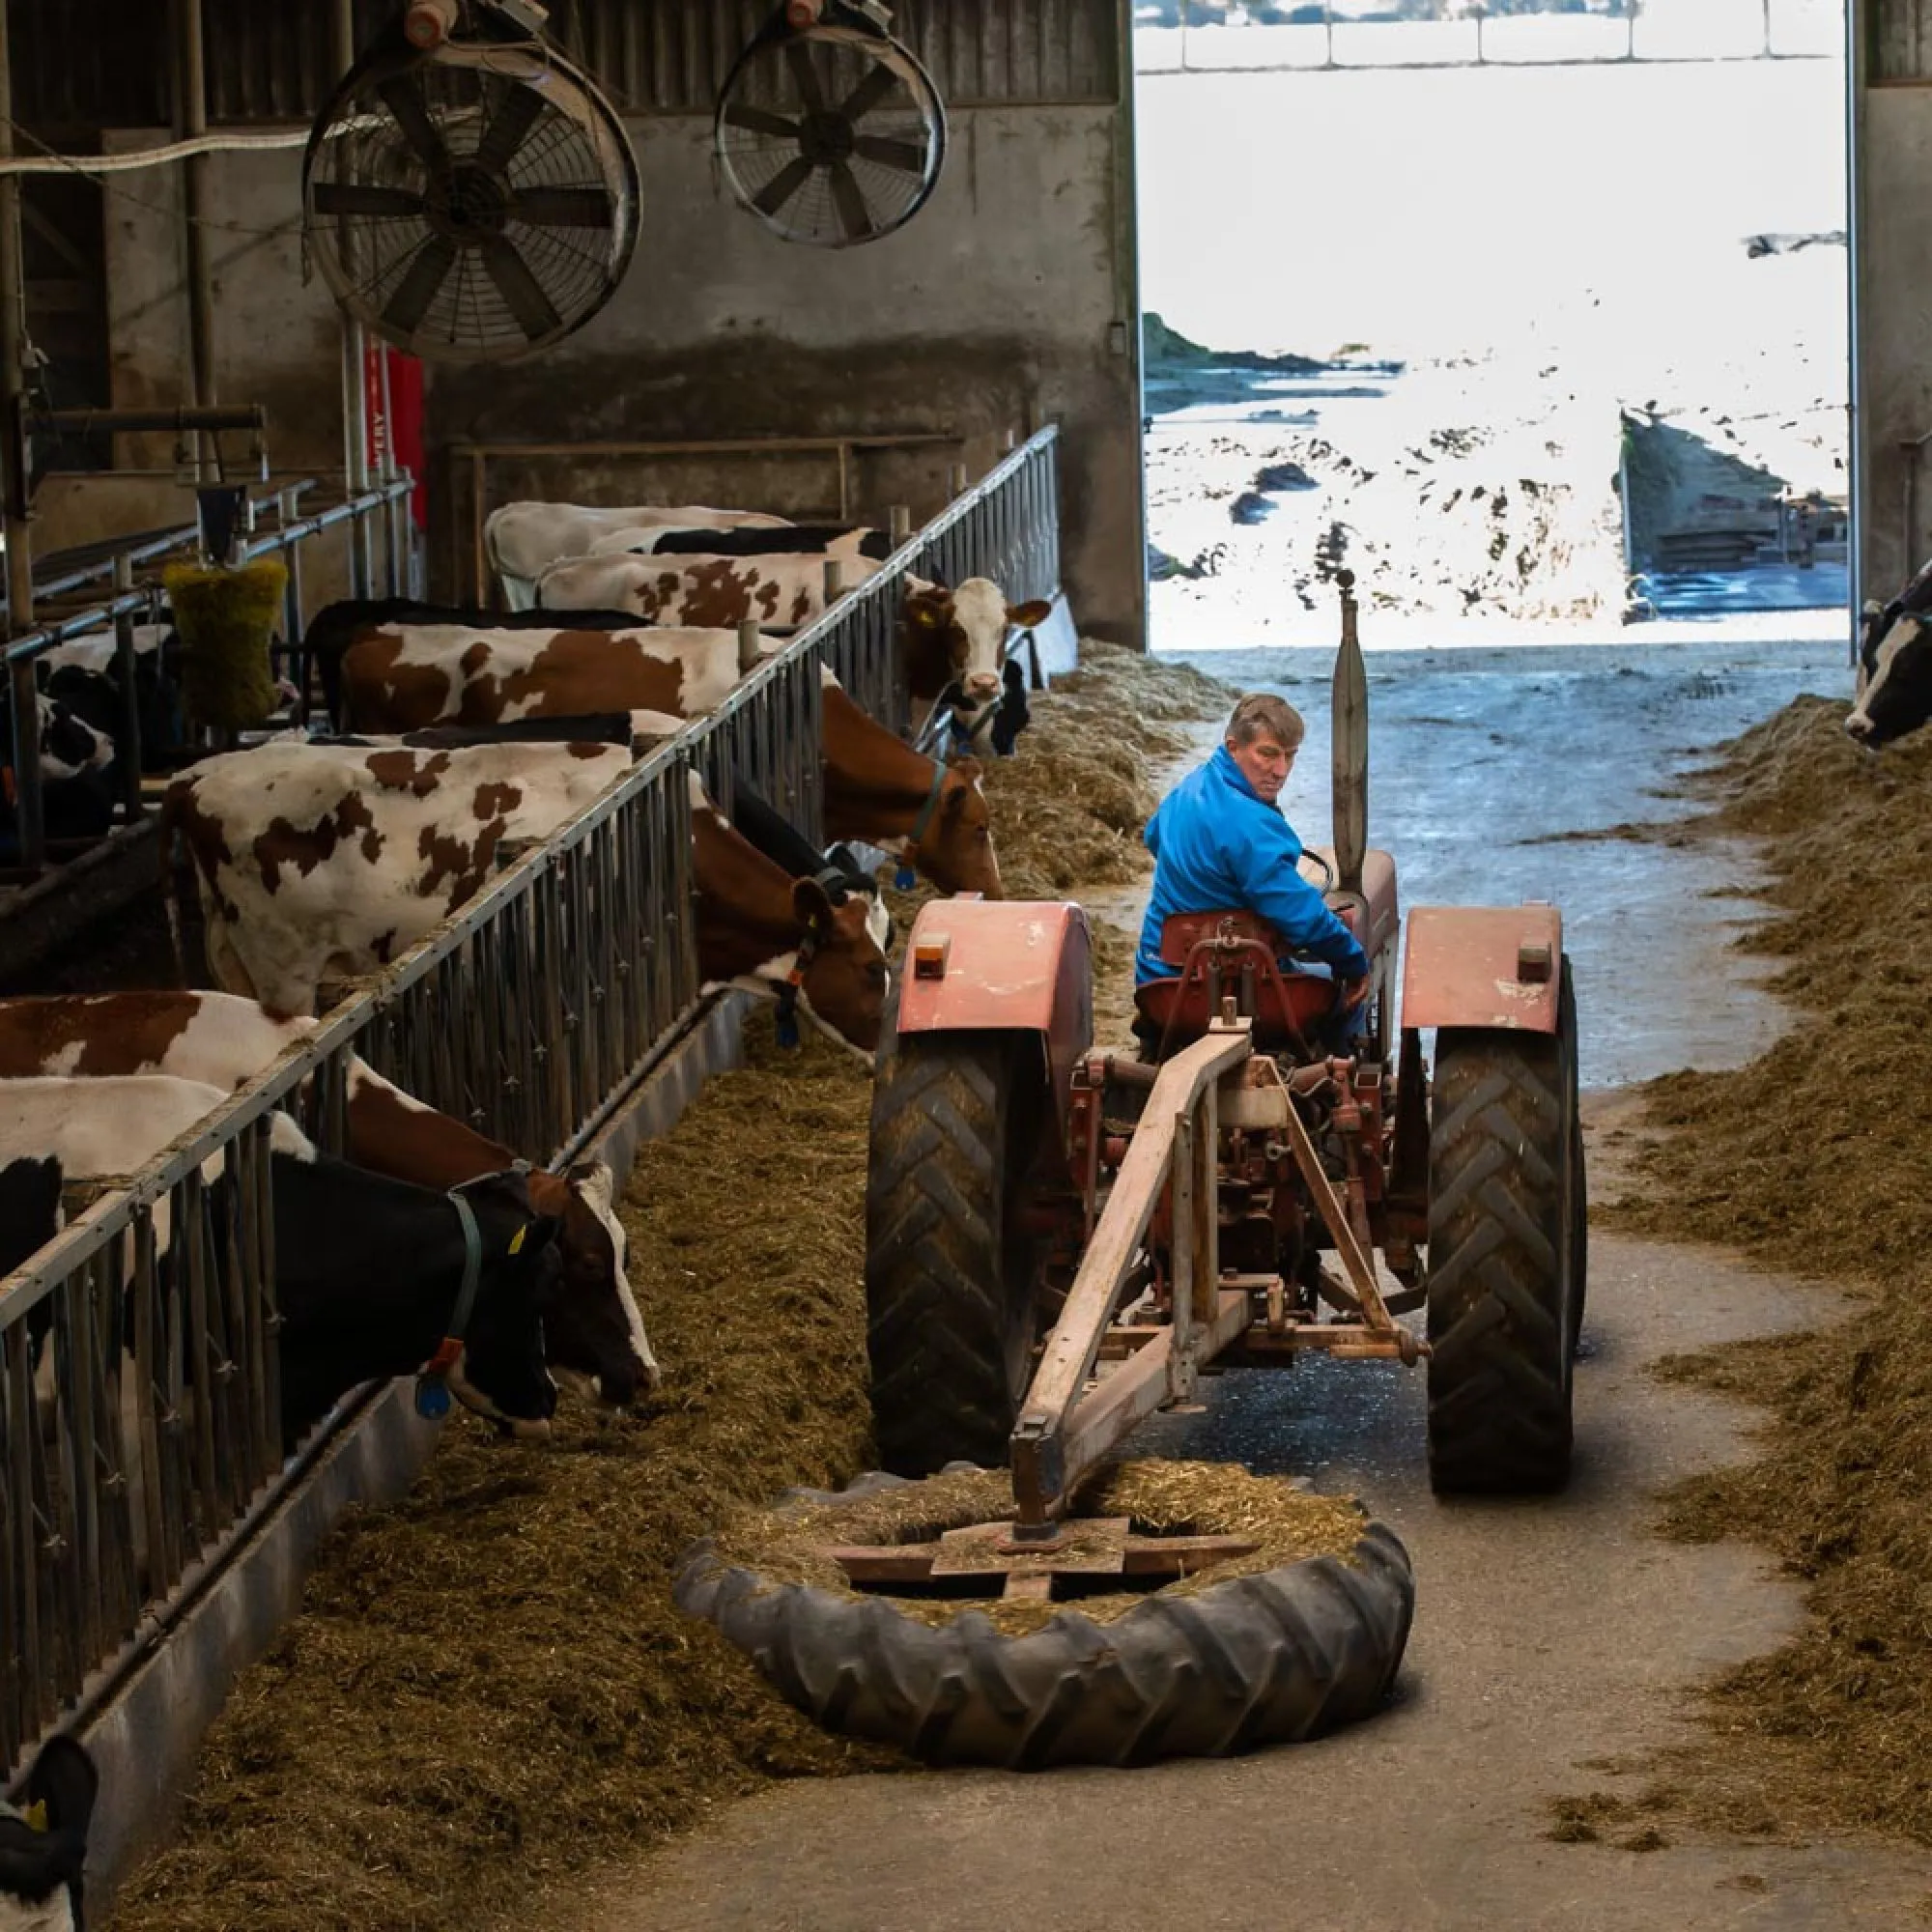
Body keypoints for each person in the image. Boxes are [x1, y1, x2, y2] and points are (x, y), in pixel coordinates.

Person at [1136, 692, 1371, 1014]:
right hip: (1236, 992)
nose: (1281, 770)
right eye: (1268, 754)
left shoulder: (1184, 791)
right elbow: (1300, 916)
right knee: (1346, 991)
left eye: (1290, 756)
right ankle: (1344, 1054)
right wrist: (1353, 961)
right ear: (1234, 748)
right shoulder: (1255, 826)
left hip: (1159, 985)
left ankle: (1154, 1045)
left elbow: (1153, 839)